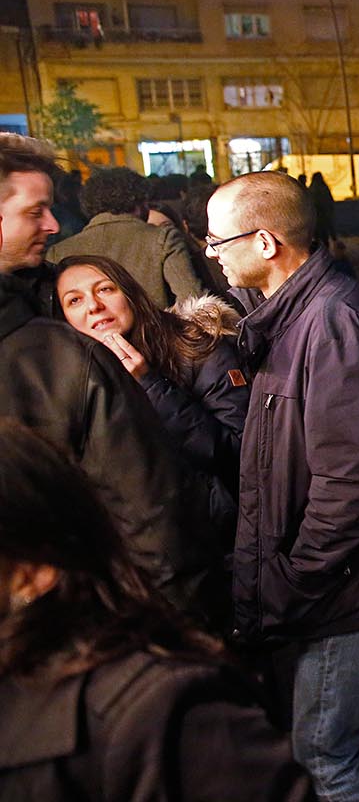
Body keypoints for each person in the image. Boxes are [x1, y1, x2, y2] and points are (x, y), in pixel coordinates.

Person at [204, 171, 359, 800]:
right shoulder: (296, 312)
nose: (211, 253)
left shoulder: (328, 319)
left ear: (264, 242)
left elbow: (355, 475)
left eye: (216, 241)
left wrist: (299, 573)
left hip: (344, 587)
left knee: (323, 753)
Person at [0, 419, 314, 801]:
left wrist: (297, 574)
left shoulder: (160, 719)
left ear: (30, 571)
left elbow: (229, 449)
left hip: (312, 595)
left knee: (336, 742)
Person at [0, 138, 211, 617]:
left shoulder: (51, 303)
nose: (52, 226)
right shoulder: (64, 353)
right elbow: (150, 516)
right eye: (36, 213)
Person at [54, 255, 246, 559]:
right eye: (74, 300)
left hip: (214, 545)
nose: (93, 306)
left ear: (129, 293)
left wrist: (150, 385)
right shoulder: (69, 382)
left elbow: (239, 452)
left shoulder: (197, 347)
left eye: (105, 289)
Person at [47, 167, 205, 308]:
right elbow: (193, 301)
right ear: (139, 202)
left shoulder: (57, 252)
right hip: (155, 338)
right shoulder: (163, 238)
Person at [307, 172, 336, 246]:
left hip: (315, 216)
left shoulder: (311, 189)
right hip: (324, 215)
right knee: (325, 234)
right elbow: (329, 200)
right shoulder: (324, 188)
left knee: (317, 236)